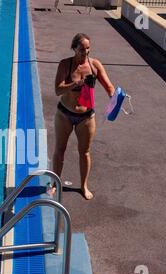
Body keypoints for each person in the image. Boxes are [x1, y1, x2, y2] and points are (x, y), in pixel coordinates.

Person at [49, 33, 115, 200]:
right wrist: (75, 84)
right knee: (60, 150)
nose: (85, 52)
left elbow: (109, 87)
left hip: (86, 117)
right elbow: (58, 90)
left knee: (84, 152)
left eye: (88, 48)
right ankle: (54, 184)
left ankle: (84, 186)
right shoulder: (65, 64)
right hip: (64, 114)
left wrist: (116, 98)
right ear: (73, 48)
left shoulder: (94, 65)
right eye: (81, 49)